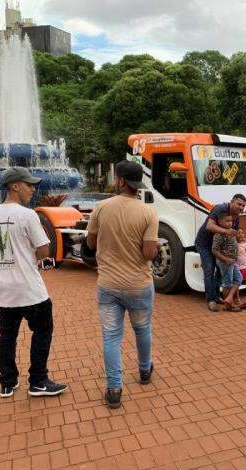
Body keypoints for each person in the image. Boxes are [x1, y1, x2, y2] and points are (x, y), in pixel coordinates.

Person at [0, 167, 67, 398]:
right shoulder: (27, 215)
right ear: (15, 186)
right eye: (29, 185)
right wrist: (30, 257)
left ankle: (7, 383)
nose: (33, 189)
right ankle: (39, 381)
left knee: (7, 336)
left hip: (3, 288)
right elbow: (44, 250)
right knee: (43, 331)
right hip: (28, 288)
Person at [86, 160, 159, 409]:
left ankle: (114, 389)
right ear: (137, 184)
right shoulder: (148, 212)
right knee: (143, 329)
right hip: (139, 285)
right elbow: (149, 253)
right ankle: (144, 371)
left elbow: (91, 244)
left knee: (111, 337)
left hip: (108, 285)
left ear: (119, 181)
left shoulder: (101, 208)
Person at [194, 194, 246, 312]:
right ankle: (210, 300)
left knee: (220, 272)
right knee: (209, 269)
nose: (241, 208)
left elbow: (234, 235)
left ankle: (217, 296)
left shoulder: (237, 216)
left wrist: (245, 243)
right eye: (239, 204)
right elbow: (209, 226)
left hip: (220, 246)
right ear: (232, 202)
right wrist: (226, 231)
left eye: (243, 206)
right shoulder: (220, 208)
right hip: (205, 243)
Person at [212, 214, 243, 311]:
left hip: (232, 262)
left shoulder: (231, 231)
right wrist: (226, 260)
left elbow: (236, 241)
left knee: (239, 278)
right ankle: (229, 305)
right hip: (225, 262)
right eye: (227, 221)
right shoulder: (219, 234)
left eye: (231, 221)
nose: (230, 223)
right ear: (220, 222)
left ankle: (228, 300)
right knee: (227, 283)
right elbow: (214, 250)